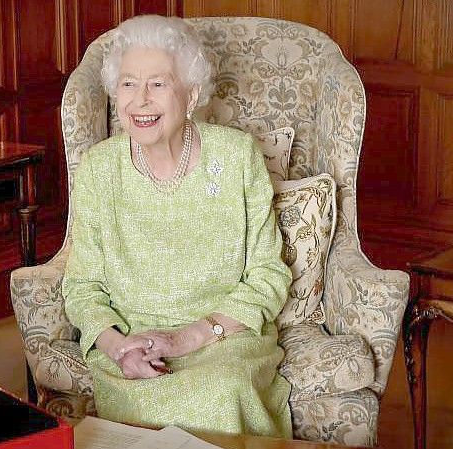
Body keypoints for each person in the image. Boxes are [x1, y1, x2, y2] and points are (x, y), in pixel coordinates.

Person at [62, 15, 293, 438]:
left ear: (191, 96)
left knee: (220, 393)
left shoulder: (237, 157)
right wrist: (118, 348)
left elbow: (267, 274)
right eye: (128, 84)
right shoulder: (98, 168)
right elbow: (82, 286)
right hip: (133, 345)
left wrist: (188, 338)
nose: (140, 100)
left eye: (158, 84)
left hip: (223, 338)